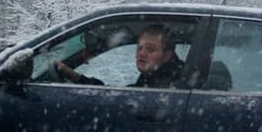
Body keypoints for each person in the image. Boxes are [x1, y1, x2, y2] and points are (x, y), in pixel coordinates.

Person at [53, 24, 184, 88]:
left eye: (150, 49)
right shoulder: (154, 78)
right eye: (139, 47)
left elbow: (114, 98)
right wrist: (75, 77)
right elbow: (120, 94)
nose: (141, 53)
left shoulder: (172, 85)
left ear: (167, 56)